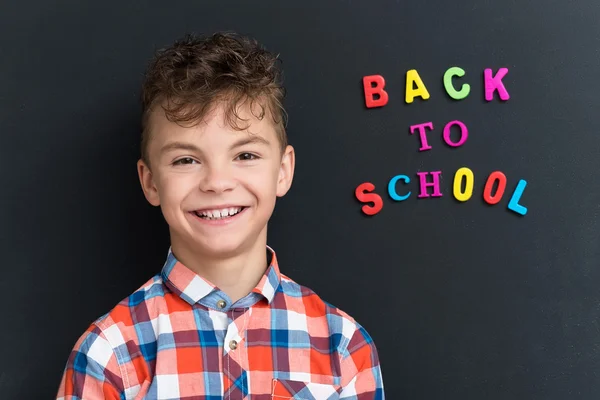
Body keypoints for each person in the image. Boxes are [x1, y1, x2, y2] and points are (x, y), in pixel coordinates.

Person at [56, 31, 384, 399]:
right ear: (150, 183)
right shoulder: (109, 354)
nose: (217, 182)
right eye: (186, 160)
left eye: (245, 155)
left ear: (283, 170)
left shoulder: (342, 346)